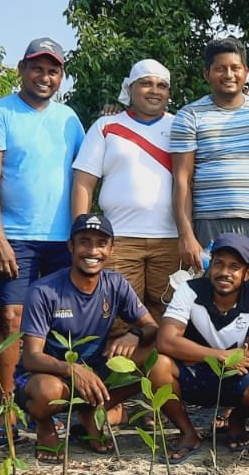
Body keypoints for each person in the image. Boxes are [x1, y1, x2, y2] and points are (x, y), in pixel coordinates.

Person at [16, 212, 197, 464]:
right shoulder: (44, 291)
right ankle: (45, 426)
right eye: (84, 242)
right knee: (49, 390)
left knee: (156, 355)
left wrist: (134, 334)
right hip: (52, 374)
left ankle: (92, 413)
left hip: (96, 370)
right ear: (71, 246)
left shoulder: (115, 283)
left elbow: (151, 327)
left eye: (101, 243)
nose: (92, 251)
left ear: (111, 249)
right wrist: (72, 369)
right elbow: (31, 357)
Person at [0, 37, 86, 437]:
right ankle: (6, 402)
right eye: (37, 68)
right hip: (17, 237)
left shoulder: (70, 119)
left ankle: (53, 400)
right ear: (22, 69)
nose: (45, 76)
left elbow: (83, 175)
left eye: (53, 70)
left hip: (62, 240)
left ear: (61, 76)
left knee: (60, 324)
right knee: (11, 318)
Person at [169, 38, 249, 304]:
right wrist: (186, 235)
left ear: (245, 71)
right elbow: (182, 180)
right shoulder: (190, 115)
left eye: (236, 67)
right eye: (220, 68)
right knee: (210, 306)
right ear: (207, 73)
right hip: (210, 223)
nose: (229, 74)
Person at [71, 59, 177, 323]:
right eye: (146, 84)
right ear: (130, 88)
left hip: (171, 240)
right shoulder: (105, 126)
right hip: (118, 239)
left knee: (168, 318)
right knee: (116, 317)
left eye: (162, 85)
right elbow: (84, 182)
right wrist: (80, 234)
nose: (154, 90)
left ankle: (159, 367)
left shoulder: (181, 126)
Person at [156, 231, 249, 453]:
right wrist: (221, 356)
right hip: (194, 376)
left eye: (234, 267)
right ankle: (188, 433)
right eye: (219, 264)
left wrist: (191, 353)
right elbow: (166, 341)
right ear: (210, 265)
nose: (225, 273)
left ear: (247, 274)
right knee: (158, 365)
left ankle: (236, 419)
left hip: (234, 377)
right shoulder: (189, 289)